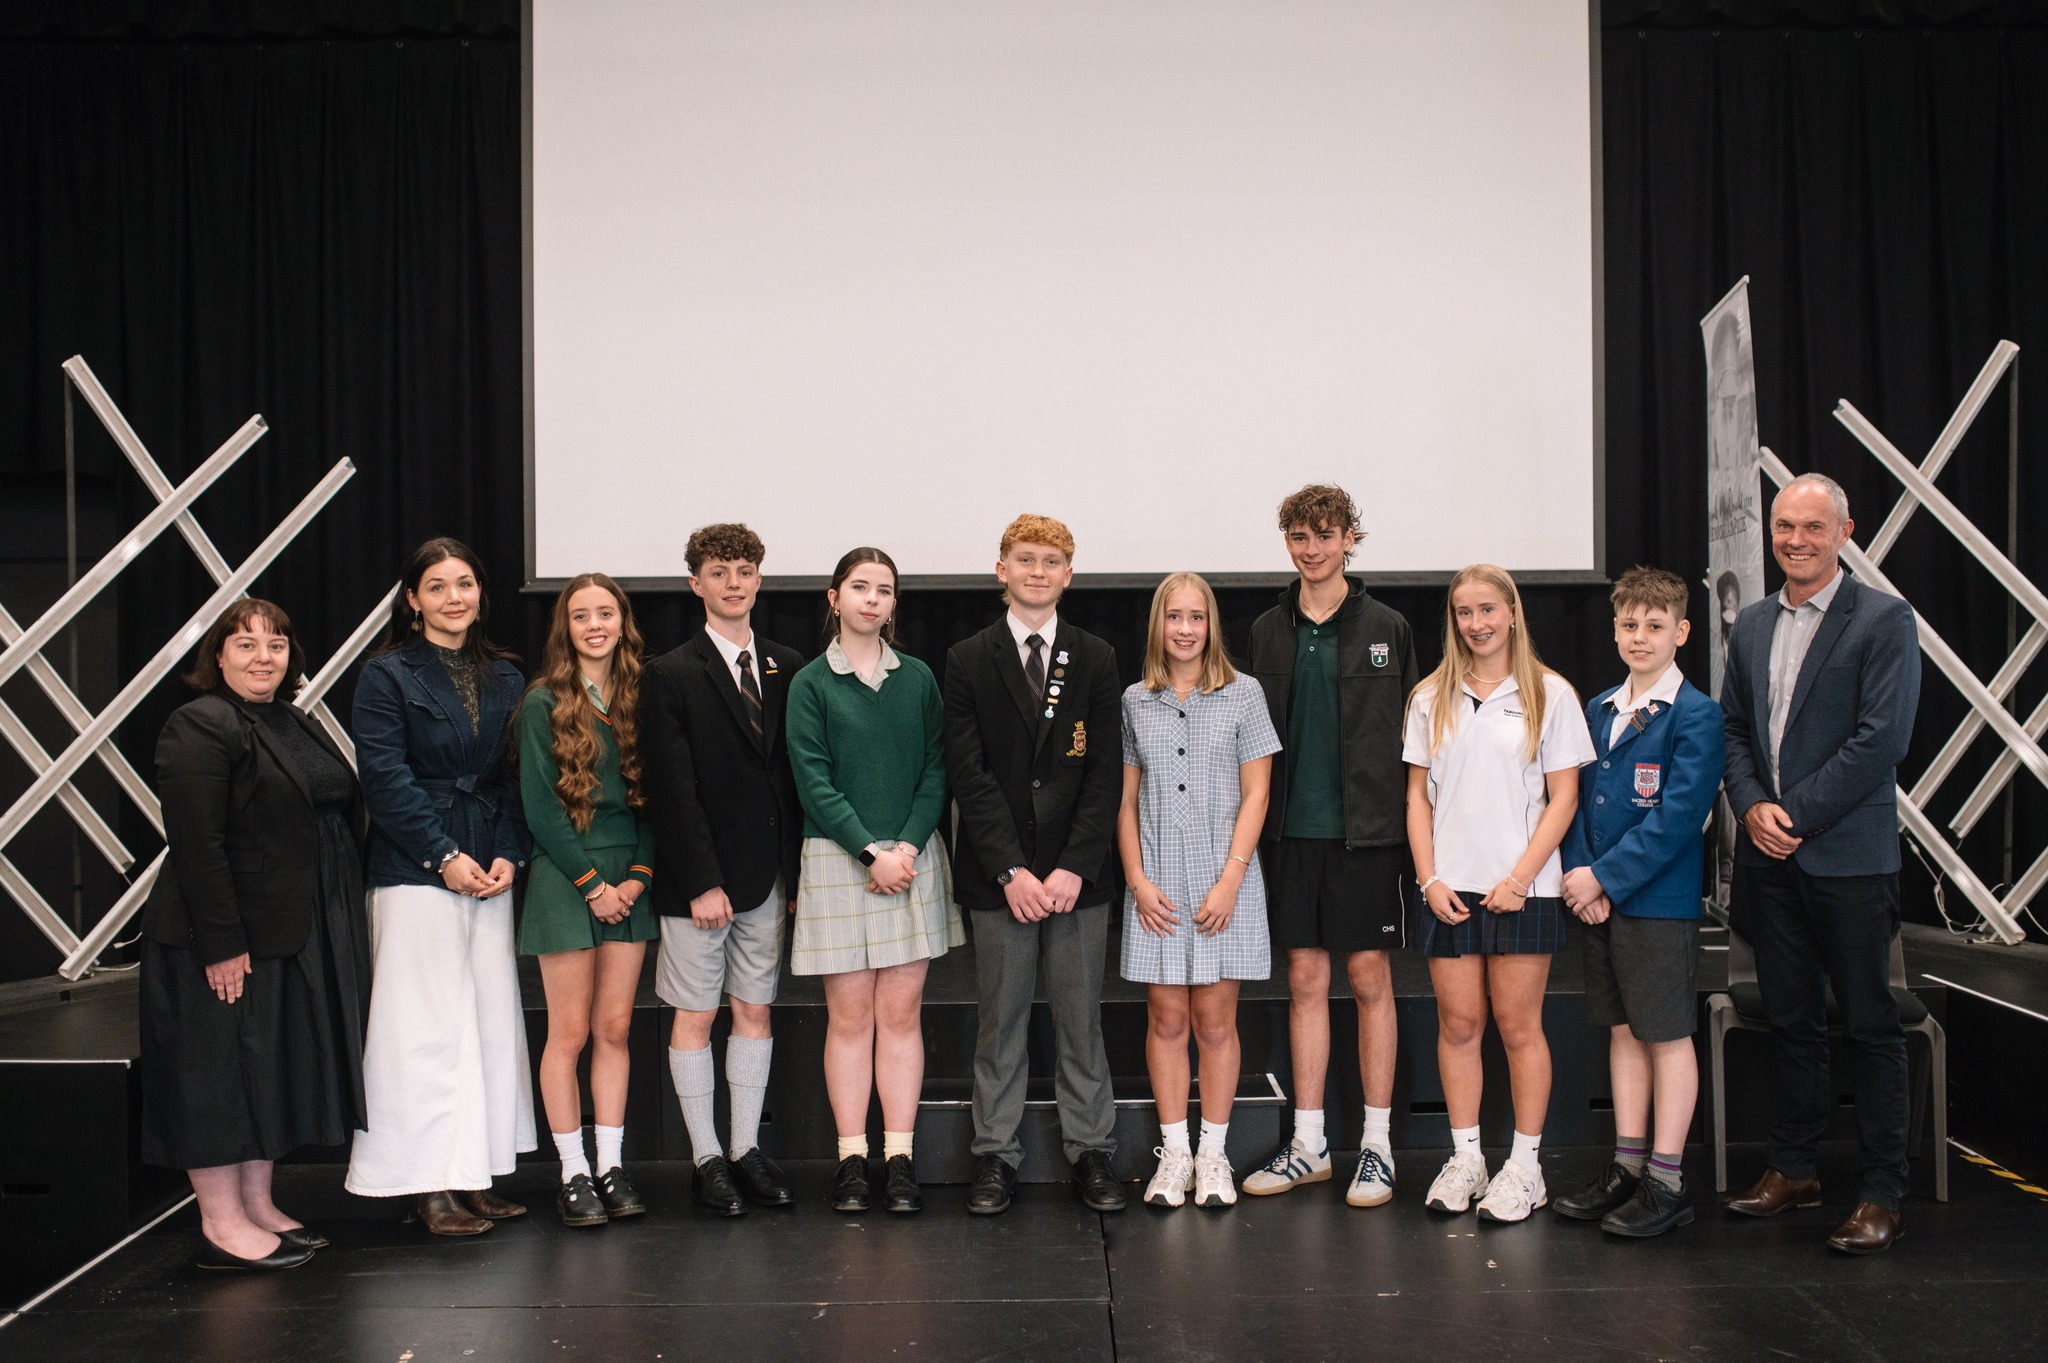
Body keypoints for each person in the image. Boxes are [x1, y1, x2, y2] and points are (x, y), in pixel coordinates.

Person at [1720, 473, 1920, 1256]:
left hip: (1850, 860)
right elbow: (1734, 729)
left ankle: (1882, 1191)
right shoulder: (1753, 622)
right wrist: (1750, 806)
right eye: (1784, 526)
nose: (1796, 540)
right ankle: (1795, 1168)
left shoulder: (1884, 618)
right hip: (1771, 860)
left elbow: (1882, 740)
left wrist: (1792, 815)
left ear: (1845, 532)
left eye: (1812, 527)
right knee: (1791, 1018)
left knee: (1870, 1022)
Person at [139, 600, 369, 1270]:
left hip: (284, 928)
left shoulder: (290, 718)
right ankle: (220, 1224)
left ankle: (256, 1204)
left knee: (261, 1071)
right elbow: (196, 842)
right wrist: (220, 943)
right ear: (217, 656)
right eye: (245, 644)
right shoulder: (200, 723)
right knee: (215, 1075)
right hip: (218, 935)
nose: (263, 657)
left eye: (276, 644)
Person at [345, 537, 535, 1234]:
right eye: (437, 586)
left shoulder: (507, 676)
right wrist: (442, 854)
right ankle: (424, 1184)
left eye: (465, 583)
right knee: (420, 1029)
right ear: (412, 600)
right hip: (413, 870)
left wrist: (509, 853)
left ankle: (472, 1173)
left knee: (487, 1024)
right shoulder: (386, 675)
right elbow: (384, 779)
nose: (454, 597)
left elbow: (515, 776)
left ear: (480, 594)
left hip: (488, 867)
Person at [945, 514, 1125, 1216]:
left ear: (1068, 575)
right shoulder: (967, 657)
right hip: (1003, 880)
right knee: (1001, 1021)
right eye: (1025, 559)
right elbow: (969, 775)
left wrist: (1076, 864)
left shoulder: (1096, 656)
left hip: (1078, 879)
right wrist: (1010, 870)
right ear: (1002, 569)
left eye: (1052, 561)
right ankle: (995, 1152)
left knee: (1081, 1020)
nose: (1038, 571)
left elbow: (1104, 772)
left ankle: (1092, 1151)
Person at [1403, 564, 1593, 1224]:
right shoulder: (1430, 696)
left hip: (1525, 889)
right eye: (1464, 612)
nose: (1476, 623)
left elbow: (1565, 798)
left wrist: (1518, 880)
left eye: (1488, 609)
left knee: (1518, 1028)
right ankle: (1467, 1159)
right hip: (1450, 890)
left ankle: (1525, 1168)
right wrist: (1429, 880)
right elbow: (1417, 799)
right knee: (1458, 1027)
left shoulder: (1550, 693)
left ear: (1512, 612)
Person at [1243, 484, 1417, 1208]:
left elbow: (1412, 741)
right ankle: (1309, 1143)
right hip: (1289, 834)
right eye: (1299, 536)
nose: (1311, 549)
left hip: (1368, 837)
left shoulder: (1388, 627)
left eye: (1324, 535)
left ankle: (1376, 1145)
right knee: (1306, 981)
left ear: (1350, 539)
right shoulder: (1265, 630)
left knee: (1371, 979)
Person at [785, 547, 958, 1215]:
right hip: (840, 859)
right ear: (835, 598)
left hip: (911, 858)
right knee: (851, 1018)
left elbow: (936, 769)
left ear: (893, 604)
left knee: (901, 1017)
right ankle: (852, 1157)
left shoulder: (917, 678)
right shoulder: (811, 683)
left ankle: (901, 1157)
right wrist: (869, 852)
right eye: (860, 587)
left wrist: (905, 846)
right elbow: (812, 780)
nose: (872, 600)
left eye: (884, 590)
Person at [1554, 567, 1725, 1237]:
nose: (1640, 637)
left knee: (1665, 1035)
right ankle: (1627, 1167)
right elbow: (1570, 800)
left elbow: (1679, 818)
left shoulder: (1696, 714)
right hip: (1598, 900)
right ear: (1615, 629)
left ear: (1681, 632)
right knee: (1623, 1032)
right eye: (1629, 625)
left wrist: (1604, 878)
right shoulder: (1598, 708)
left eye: (1655, 626)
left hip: (1656, 902)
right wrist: (1579, 875)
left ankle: (1667, 1179)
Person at [641, 524, 805, 1217]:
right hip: (699, 885)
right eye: (718, 572)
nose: (733, 583)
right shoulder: (670, 672)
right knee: (697, 1013)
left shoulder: (788, 665)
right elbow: (670, 789)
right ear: (696, 584)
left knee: (754, 1010)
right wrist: (702, 881)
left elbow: (793, 776)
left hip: (766, 877)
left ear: (759, 579)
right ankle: (706, 1156)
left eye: (744, 571)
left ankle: (745, 1149)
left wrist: (793, 874)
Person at [1119, 573, 1281, 1211]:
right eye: (1174, 617)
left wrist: (1231, 880)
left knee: (1215, 1022)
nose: (1185, 630)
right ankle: (1176, 1153)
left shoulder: (1244, 694)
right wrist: (1137, 881)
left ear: (1211, 625)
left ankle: (1213, 1153)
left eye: (1196, 617)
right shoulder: (1136, 700)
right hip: (1158, 883)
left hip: (1223, 883)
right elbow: (1126, 802)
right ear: (1158, 625)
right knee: (1167, 1019)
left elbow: (1257, 793)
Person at [515, 573, 658, 1227]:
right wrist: (594, 886)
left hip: (630, 880)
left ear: (623, 622)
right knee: (568, 1033)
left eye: (605, 613)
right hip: (566, 877)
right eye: (581, 615)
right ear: (565, 627)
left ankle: (611, 1165)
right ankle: (572, 1171)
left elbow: (659, 800)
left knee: (615, 1029)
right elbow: (540, 809)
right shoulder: (543, 702)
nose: (594, 625)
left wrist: (636, 878)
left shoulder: (643, 696)